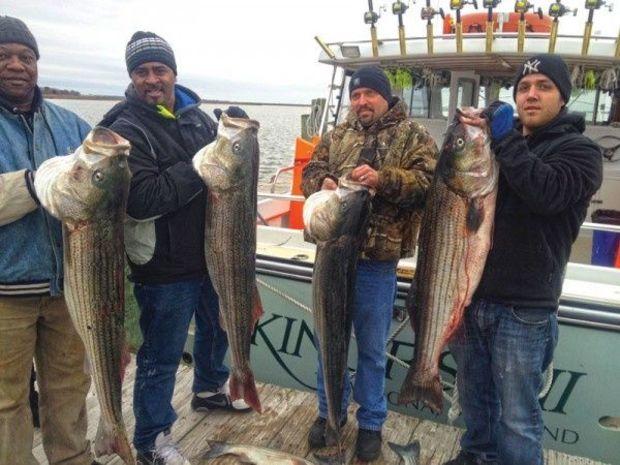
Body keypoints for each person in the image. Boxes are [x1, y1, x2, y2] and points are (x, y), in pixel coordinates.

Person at [100, 31, 250, 465]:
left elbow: (228, 177)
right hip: (163, 264)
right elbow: (144, 198)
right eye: (142, 71)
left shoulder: (196, 117)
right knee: (161, 356)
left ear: (173, 73)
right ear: (132, 77)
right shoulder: (123, 129)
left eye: (159, 69)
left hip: (212, 252)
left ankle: (208, 387)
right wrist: (206, 164)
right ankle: (152, 437)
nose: (152, 79)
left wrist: (229, 137)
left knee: (217, 327)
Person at [447, 54, 603, 465]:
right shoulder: (499, 144)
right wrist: (464, 139)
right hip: (472, 296)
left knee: (518, 418)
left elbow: (545, 192)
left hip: (525, 309)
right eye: (524, 87)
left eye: (543, 86)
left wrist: (505, 138)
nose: (531, 94)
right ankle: (477, 455)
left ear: (563, 97)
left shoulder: (580, 151)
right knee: (475, 402)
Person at [301, 65, 438, 461]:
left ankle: (372, 422)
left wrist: (382, 179)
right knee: (328, 339)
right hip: (330, 255)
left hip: (376, 264)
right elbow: (310, 172)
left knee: (373, 348)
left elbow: (427, 185)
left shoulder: (414, 136)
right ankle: (329, 413)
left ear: (385, 96)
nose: (361, 102)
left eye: (369, 95)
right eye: (355, 95)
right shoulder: (338, 134)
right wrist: (322, 183)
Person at [0, 15, 97, 465]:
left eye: (25, 56)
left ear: (37, 63)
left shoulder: (74, 126)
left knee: (69, 391)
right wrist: (35, 183)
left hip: (69, 290)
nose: (15, 65)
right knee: (6, 404)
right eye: (3, 56)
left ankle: (72, 458)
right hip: (6, 295)